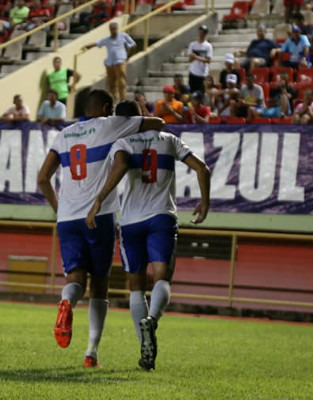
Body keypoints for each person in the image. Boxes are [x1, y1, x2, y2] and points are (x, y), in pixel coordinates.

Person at [36, 89, 165, 368]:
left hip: (67, 217)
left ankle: (67, 302)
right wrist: (140, 110)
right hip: (99, 215)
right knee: (100, 285)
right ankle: (91, 352)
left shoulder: (64, 134)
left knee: (75, 276)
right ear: (107, 107)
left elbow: (43, 178)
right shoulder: (111, 123)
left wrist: (60, 210)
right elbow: (158, 124)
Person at [85, 100, 209, 371]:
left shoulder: (123, 144)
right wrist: (205, 202)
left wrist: (99, 200)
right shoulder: (169, 140)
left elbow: (118, 169)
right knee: (162, 276)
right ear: (141, 116)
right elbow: (202, 168)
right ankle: (152, 320)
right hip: (162, 216)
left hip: (130, 222)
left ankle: (145, 346)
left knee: (136, 287)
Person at [83, 22, 136, 103]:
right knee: (111, 82)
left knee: (121, 80)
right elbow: (97, 43)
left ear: (117, 29)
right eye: (112, 29)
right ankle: (114, 100)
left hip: (120, 60)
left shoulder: (123, 36)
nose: (113, 31)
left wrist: (128, 56)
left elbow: (133, 45)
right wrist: (86, 46)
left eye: (115, 29)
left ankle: (123, 99)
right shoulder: (107, 39)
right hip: (110, 63)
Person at [187, 25, 213, 94]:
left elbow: (208, 60)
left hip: (203, 74)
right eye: (200, 32)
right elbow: (190, 59)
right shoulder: (193, 45)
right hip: (193, 72)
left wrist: (196, 57)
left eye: (203, 33)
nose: (201, 35)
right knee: (192, 92)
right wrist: (196, 58)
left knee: (202, 93)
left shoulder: (208, 46)